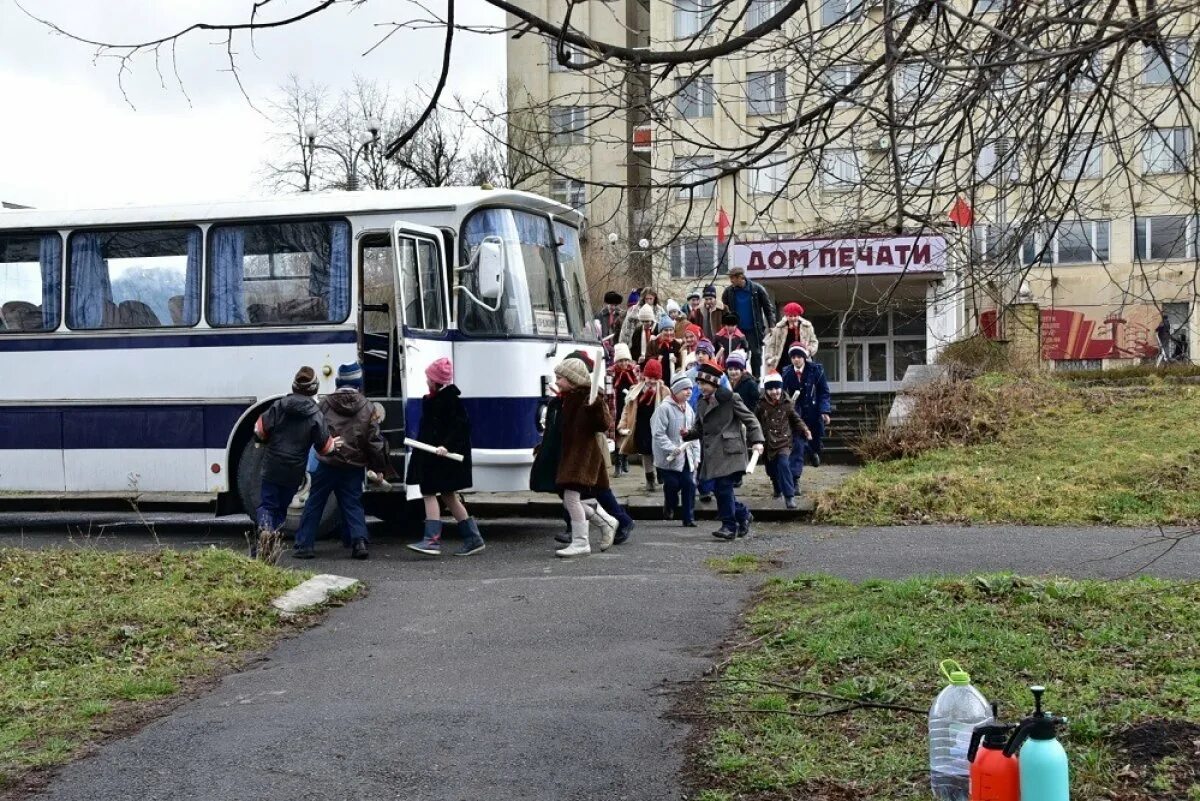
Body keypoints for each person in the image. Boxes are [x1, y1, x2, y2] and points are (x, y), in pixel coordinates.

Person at [294, 362, 387, 560]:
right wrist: (378, 467)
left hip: (327, 462)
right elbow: (374, 442)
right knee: (352, 503)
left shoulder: (325, 404)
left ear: (337, 383)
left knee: (315, 502)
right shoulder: (367, 406)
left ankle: (304, 546)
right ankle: (359, 542)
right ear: (358, 384)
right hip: (353, 466)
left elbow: (316, 430)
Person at [251, 366, 339, 559]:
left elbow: (260, 429)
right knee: (282, 509)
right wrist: (334, 445)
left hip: (272, 465)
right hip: (294, 472)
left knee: (267, 504)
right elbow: (324, 447)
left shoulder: (279, 406)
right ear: (314, 388)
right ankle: (270, 548)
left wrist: (263, 440)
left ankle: (265, 531)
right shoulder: (315, 414)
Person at [404, 358, 485, 557]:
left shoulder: (448, 402)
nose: (426, 381)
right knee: (449, 496)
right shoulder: (441, 400)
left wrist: (445, 446)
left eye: (428, 378)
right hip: (440, 457)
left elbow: (460, 428)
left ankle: (431, 540)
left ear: (435, 381)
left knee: (429, 492)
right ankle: (473, 538)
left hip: (440, 458)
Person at [684, 363, 765, 540]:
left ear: (713, 383)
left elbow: (751, 420)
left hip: (730, 451)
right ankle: (743, 515)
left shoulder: (731, 398)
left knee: (723, 488)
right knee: (721, 490)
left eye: (703, 384)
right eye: (698, 384)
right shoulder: (701, 402)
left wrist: (758, 440)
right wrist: (687, 434)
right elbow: (699, 428)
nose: (700, 388)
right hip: (713, 454)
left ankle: (729, 526)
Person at [551, 356, 616, 558]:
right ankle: (606, 521)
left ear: (572, 380)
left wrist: (595, 406)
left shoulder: (589, 399)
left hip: (582, 457)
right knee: (572, 500)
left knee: (571, 499)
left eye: (560, 377)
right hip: (572, 455)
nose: (556, 381)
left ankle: (581, 542)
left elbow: (604, 423)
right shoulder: (568, 399)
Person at [755, 372, 811, 510]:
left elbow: (795, 418)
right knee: (771, 468)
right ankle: (776, 484)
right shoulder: (761, 405)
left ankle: (789, 496)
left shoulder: (787, 402)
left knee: (784, 464)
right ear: (766, 390)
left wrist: (805, 429)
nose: (774, 392)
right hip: (768, 442)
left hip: (784, 441)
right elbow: (754, 422)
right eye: (770, 389)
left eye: (777, 388)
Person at [652, 374, 701, 527]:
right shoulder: (664, 409)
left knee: (689, 485)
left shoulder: (689, 410)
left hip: (686, 456)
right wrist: (672, 449)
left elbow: (695, 434)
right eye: (685, 389)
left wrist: (696, 456)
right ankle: (670, 504)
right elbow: (658, 433)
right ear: (676, 390)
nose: (689, 392)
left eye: (690, 389)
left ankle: (689, 518)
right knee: (672, 485)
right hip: (668, 458)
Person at [617, 358, 670, 492]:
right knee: (646, 453)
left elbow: (670, 410)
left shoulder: (664, 391)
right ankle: (649, 479)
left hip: (658, 427)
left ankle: (661, 474)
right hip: (642, 425)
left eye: (655, 378)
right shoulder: (635, 390)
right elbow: (627, 410)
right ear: (644, 376)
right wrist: (623, 424)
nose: (652, 381)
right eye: (649, 377)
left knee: (659, 452)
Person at [781, 344, 832, 477]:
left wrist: (824, 411)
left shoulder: (816, 370)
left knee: (814, 441)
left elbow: (823, 392)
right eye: (793, 357)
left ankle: (812, 452)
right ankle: (795, 478)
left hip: (813, 412)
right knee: (797, 444)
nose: (796, 360)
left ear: (804, 357)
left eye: (799, 356)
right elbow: (782, 393)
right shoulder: (787, 372)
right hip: (796, 413)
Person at [721, 265, 777, 376]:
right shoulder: (728, 292)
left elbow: (768, 308)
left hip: (754, 330)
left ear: (740, 277)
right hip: (737, 330)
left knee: (756, 355)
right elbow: (724, 310)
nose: (731, 280)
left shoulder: (757, 289)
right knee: (739, 355)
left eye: (733, 278)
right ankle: (739, 379)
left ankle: (756, 379)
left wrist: (772, 325)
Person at [764, 301, 820, 373]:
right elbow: (771, 345)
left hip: (801, 360)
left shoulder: (807, 327)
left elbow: (814, 342)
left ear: (799, 315)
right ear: (786, 316)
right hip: (782, 361)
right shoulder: (779, 328)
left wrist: (808, 351)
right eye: (790, 316)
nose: (793, 318)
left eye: (795, 316)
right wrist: (770, 358)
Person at [609, 343, 639, 475]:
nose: (624, 363)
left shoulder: (633, 372)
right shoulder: (611, 372)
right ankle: (618, 462)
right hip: (615, 406)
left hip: (628, 406)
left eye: (626, 360)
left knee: (626, 432)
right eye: (621, 360)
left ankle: (625, 457)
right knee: (617, 433)